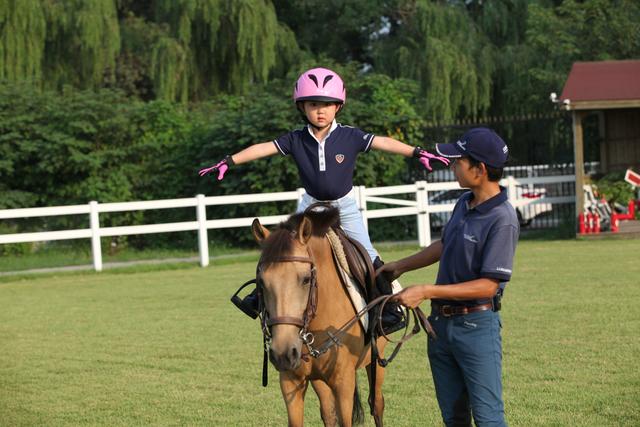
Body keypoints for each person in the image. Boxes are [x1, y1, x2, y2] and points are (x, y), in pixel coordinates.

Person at [199, 67, 449, 334]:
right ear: (302, 107)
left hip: (344, 207)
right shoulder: (295, 139)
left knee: (369, 257)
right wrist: (229, 161)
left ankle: (386, 310)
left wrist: (417, 152)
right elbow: (263, 148)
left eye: (327, 105)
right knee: (281, 251)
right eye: (314, 105)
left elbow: (384, 142)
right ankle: (258, 299)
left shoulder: (350, 136)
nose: (321, 110)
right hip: (309, 206)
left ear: (338, 107)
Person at [377, 127, 519, 426]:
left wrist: (427, 291)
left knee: (488, 418)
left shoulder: (502, 219)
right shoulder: (464, 203)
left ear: (479, 170)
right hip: (440, 326)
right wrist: (400, 266)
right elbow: (444, 245)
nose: (452, 166)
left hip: (475, 327)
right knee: (453, 418)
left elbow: (489, 285)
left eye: (458, 161)